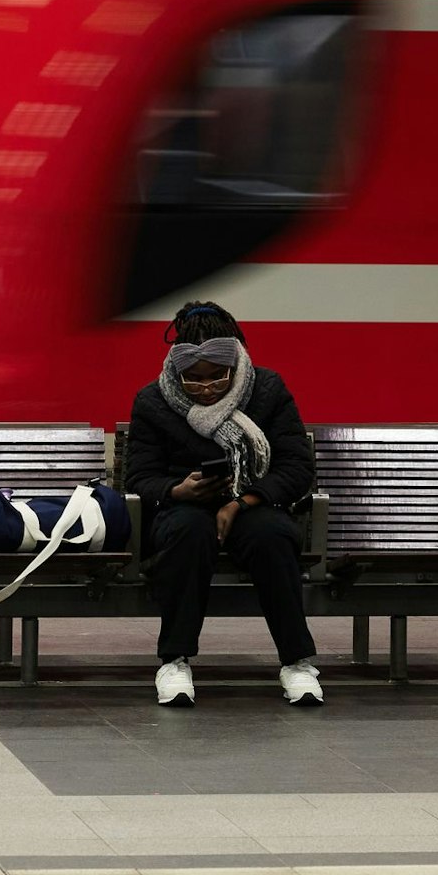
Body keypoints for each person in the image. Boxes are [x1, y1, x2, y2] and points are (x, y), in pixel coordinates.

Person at [123, 300, 320, 708]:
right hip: (182, 506)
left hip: (251, 501)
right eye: (193, 379)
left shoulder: (267, 391)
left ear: (236, 363)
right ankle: (174, 660)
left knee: (273, 535)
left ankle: (296, 662)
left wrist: (243, 501)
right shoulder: (153, 401)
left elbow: (296, 468)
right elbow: (140, 477)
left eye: (217, 377)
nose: (206, 386)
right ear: (177, 369)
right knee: (188, 532)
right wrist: (178, 490)